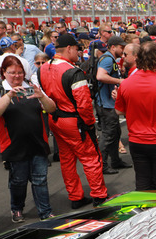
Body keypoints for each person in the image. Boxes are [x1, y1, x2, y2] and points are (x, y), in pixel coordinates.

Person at [38, 33, 107, 209]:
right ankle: (99, 196)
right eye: (77, 49)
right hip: (74, 122)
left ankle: (75, 197)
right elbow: (84, 104)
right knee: (91, 158)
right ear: (69, 49)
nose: (78, 52)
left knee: (67, 160)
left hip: (55, 119)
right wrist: (90, 124)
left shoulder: (43, 68)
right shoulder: (73, 72)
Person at [0, 55, 56, 223]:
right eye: (12, 73)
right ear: (4, 73)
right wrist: (9, 96)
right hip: (14, 144)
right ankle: (17, 207)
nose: (17, 76)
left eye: (20, 73)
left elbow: (51, 108)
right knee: (18, 180)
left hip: (37, 142)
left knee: (40, 179)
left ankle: (45, 212)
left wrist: (42, 96)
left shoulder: (32, 87)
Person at [115, 42, 156, 191]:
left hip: (137, 141)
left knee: (143, 183)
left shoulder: (126, 84)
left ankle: (145, 212)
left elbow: (119, 111)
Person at [95, 35, 130, 175]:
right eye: (121, 48)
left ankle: (115, 161)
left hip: (107, 103)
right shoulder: (108, 59)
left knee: (115, 133)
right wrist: (119, 81)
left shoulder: (110, 59)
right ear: (113, 47)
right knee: (108, 135)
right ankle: (102, 165)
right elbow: (100, 76)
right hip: (106, 104)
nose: (123, 51)